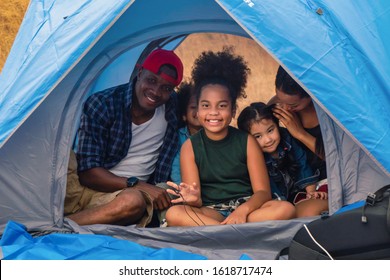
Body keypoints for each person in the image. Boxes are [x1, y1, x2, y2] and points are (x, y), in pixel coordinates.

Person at [165, 47, 295, 226]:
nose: (213, 113)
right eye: (205, 105)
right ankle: (231, 231)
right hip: (212, 212)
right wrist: (193, 199)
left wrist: (242, 211)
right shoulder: (189, 147)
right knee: (174, 213)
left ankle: (221, 233)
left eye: (222, 106)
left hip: (248, 210)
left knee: (285, 209)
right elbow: (197, 201)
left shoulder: (247, 142)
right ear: (198, 110)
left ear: (233, 110)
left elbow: (263, 192)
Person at [64, 48, 184, 227]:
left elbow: (203, 108)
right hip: (82, 185)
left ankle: (59, 227)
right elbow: (88, 173)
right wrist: (138, 184)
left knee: (133, 203)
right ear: (140, 72)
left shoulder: (172, 107)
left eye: (166, 88)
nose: (156, 92)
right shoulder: (104, 103)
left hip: (121, 197)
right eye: (151, 80)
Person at [237, 102, 328, 217]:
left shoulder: (287, 138)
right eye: (258, 136)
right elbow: (268, 187)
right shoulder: (254, 156)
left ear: (278, 125)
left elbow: (302, 164)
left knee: (322, 196)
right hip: (277, 202)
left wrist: (311, 192)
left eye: (270, 130)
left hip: (296, 193)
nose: (268, 140)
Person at [270, 66, 326, 181]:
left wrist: (300, 133)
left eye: (293, 105)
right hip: (296, 181)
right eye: (280, 99)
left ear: (311, 95)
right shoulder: (275, 106)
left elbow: (338, 158)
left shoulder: (327, 112)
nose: (285, 108)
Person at [170, 81, 202, 184]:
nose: (198, 111)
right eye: (193, 107)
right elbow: (175, 167)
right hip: (182, 186)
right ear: (184, 115)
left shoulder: (213, 136)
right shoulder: (178, 137)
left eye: (204, 106)